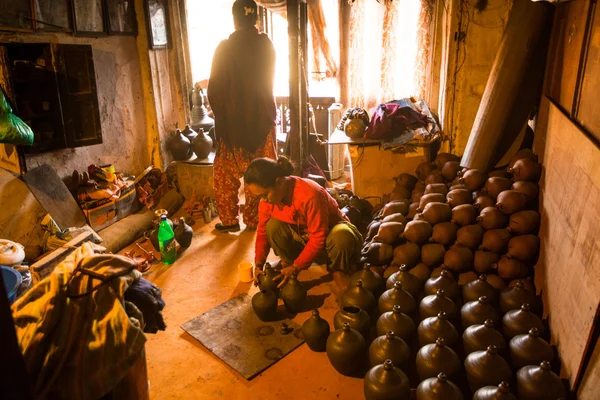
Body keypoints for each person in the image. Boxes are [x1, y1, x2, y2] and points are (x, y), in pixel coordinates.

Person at [208, 0, 277, 232]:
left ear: (235, 19)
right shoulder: (266, 45)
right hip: (261, 120)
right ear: (255, 18)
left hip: (232, 123)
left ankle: (229, 220)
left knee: (225, 173)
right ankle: (255, 220)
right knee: (260, 172)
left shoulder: (224, 48)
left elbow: (214, 90)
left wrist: (221, 115)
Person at [244, 157, 364, 291]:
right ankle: (289, 261)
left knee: (342, 236)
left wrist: (297, 268)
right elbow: (262, 233)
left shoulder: (310, 194)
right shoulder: (267, 202)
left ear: (278, 182)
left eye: (265, 195)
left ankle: (338, 269)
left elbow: (319, 236)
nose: (264, 200)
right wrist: (259, 264)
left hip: (330, 234)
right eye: (260, 197)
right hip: (306, 237)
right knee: (272, 227)